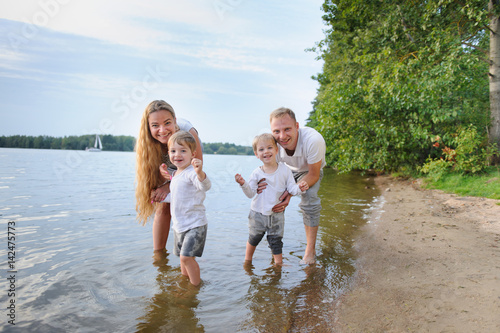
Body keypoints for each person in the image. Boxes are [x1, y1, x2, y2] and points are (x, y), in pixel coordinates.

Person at [135, 100, 203, 253]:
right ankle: (159, 257)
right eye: (155, 125)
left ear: (175, 121)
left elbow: (196, 169)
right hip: (163, 160)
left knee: (184, 198)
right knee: (163, 205)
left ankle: (189, 254)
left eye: (167, 123)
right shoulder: (148, 142)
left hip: (186, 157)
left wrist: (168, 185)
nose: (162, 130)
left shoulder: (188, 131)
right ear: (148, 127)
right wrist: (160, 181)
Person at [264, 107, 326, 265]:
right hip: (288, 171)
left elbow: (313, 175)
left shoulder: (313, 140)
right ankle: (276, 253)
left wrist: (290, 194)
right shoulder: (272, 144)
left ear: (297, 126)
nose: (282, 136)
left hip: (310, 171)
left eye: (287, 129)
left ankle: (310, 251)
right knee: (273, 200)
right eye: (276, 131)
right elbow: (272, 172)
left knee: (309, 200)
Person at [235, 133, 309, 266]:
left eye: (269, 147)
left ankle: (278, 264)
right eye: (261, 149)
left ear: (276, 150)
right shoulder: (256, 173)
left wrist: (301, 188)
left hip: (277, 214)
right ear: (256, 154)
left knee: (276, 240)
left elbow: (292, 188)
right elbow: (250, 193)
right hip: (257, 213)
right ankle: (247, 261)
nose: (266, 152)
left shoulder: (285, 170)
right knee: (254, 238)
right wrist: (243, 184)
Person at [167, 131, 211, 286]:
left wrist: (200, 173)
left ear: (192, 154)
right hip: (179, 225)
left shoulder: (192, 173)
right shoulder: (176, 175)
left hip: (195, 224)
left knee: (186, 258)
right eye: (173, 151)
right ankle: (184, 283)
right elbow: (176, 197)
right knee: (181, 257)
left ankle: (195, 287)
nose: (177, 155)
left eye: (183, 151)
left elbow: (205, 186)